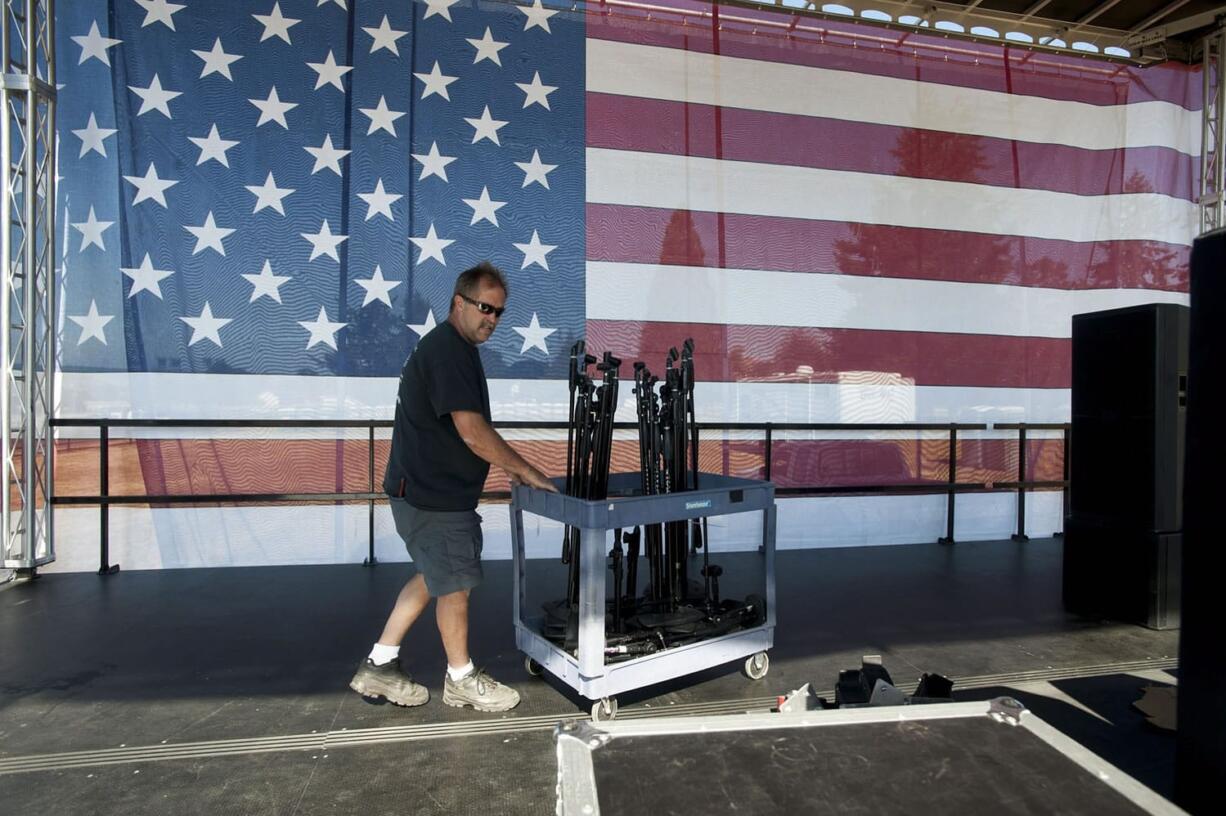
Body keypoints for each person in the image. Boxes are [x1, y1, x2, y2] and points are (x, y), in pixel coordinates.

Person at [350, 261, 558, 712]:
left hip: (424, 491)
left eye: (500, 312)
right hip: (433, 497)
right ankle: (461, 678)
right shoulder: (447, 349)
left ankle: (380, 665)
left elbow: (466, 432)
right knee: (455, 584)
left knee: (433, 576)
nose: (493, 318)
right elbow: (471, 430)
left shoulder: (455, 350)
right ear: (458, 302)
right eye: (485, 307)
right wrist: (524, 470)